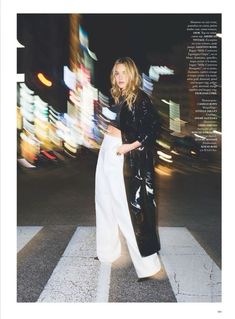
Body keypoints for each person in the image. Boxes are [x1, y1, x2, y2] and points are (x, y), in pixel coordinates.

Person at [95, 57, 165, 281]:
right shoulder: (120, 96)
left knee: (127, 209)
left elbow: (154, 127)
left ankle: (149, 266)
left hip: (120, 153)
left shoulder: (139, 97)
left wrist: (128, 146)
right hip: (107, 150)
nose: (120, 77)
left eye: (124, 72)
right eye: (116, 73)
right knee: (104, 202)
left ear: (132, 74)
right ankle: (107, 252)